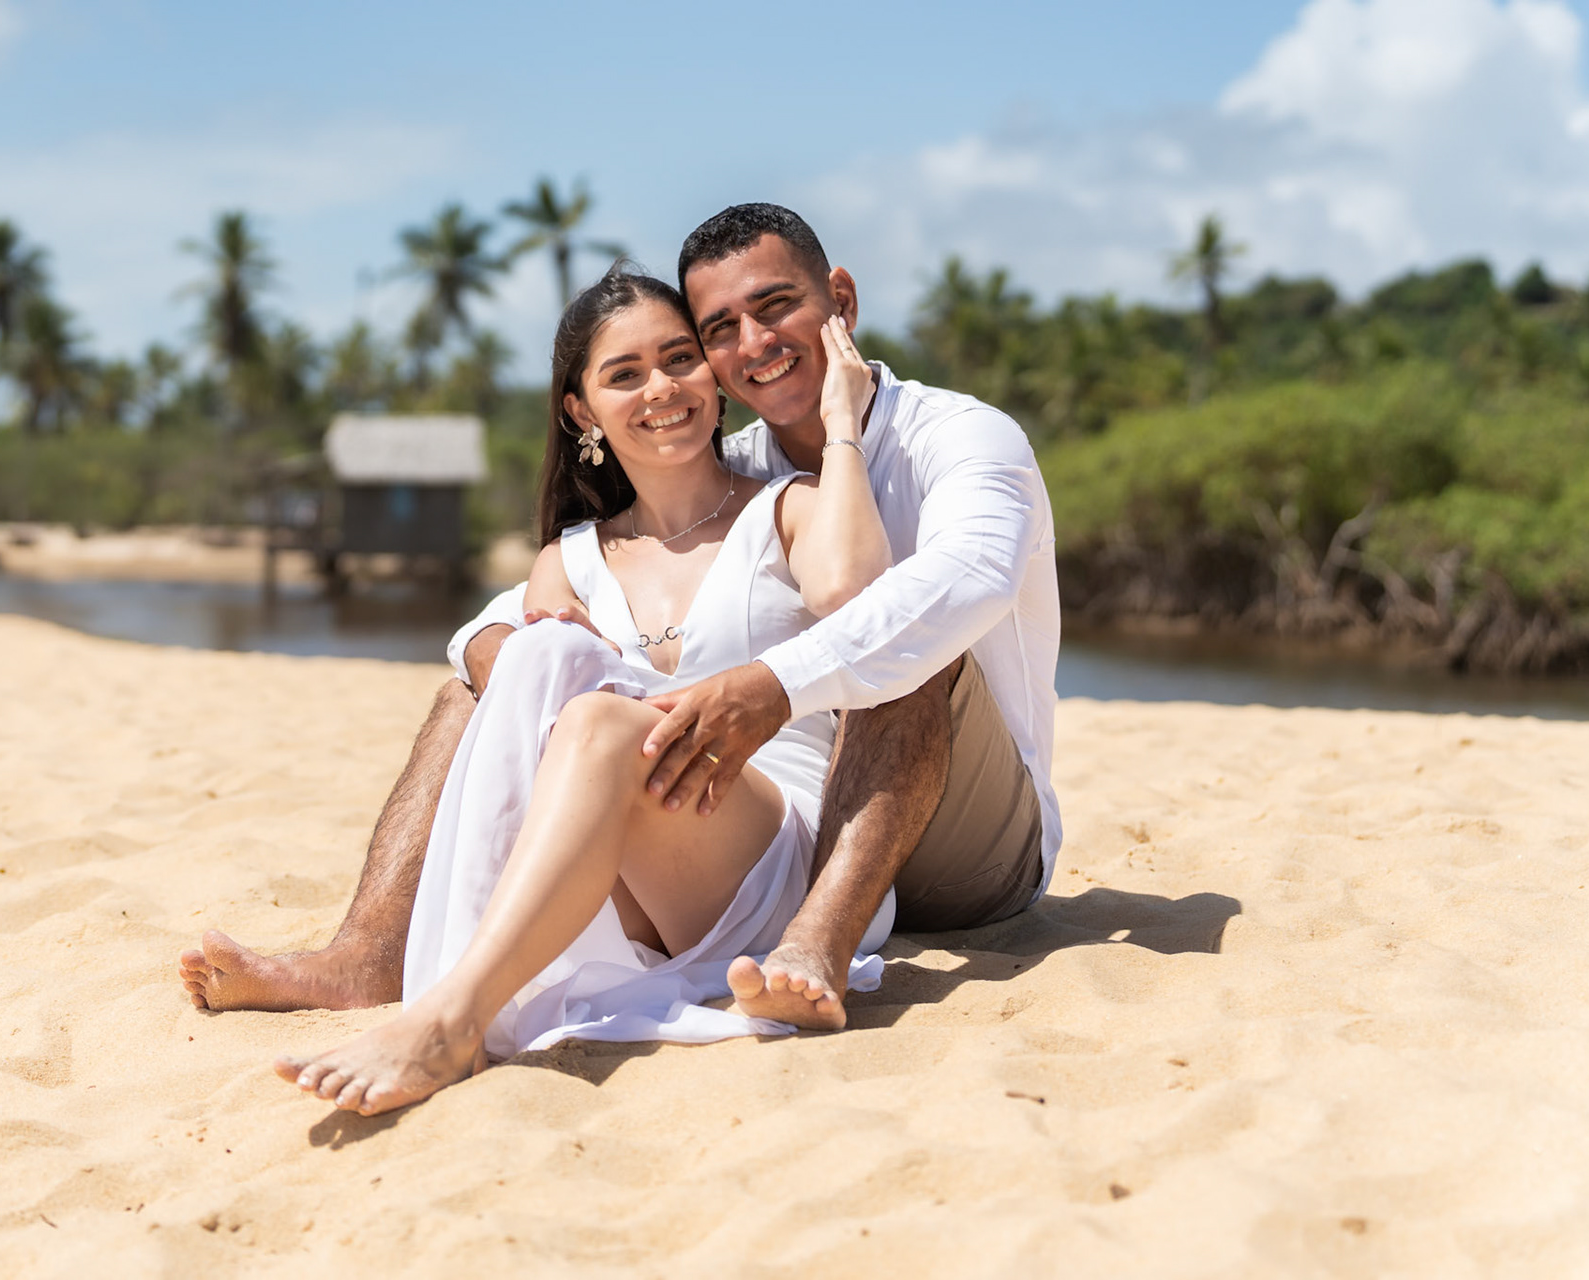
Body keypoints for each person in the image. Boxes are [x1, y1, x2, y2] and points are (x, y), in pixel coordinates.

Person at [182, 202, 1061, 1035]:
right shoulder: (726, 465)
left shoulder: (958, 437)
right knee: (478, 690)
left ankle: (819, 942)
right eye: (719, 330)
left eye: (776, 307)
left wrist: (767, 685)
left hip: (966, 842)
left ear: (841, 302)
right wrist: (518, 664)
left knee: (902, 638)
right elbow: (501, 624)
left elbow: (962, 582)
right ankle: (370, 954)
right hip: (751, 829)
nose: (752, 344)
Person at [193, 267, 896, 1114]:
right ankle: (421, 974)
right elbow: (505, 680)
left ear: (713, 377)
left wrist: (841, 423)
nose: (661, 389)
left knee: (594, 716)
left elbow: (858, 596)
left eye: (680, 359)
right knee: (544, 656)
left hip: (772, 858)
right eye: (625, 374)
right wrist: (520, 646)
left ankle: (450, 1014)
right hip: (632, 872)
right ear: (580, 411)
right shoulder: (568, 559)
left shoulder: (788, 509)